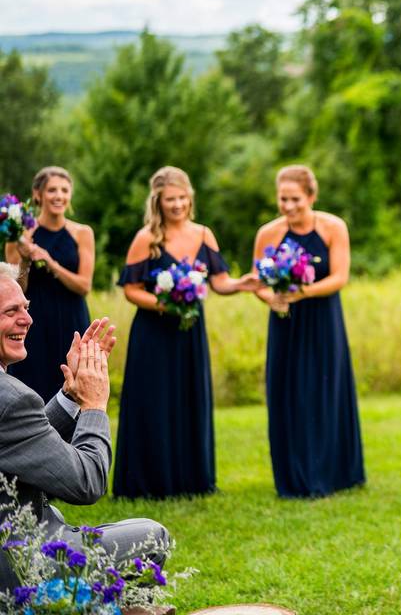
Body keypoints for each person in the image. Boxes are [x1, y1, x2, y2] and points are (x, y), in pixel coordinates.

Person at [0, 263, 168, 591]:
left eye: (27, 307)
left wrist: (71, 396)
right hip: (20, 569)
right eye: (11, 311)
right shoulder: (13, 398)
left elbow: (24, 443)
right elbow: (86, 483)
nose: (28, 319)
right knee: (153, 536)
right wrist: (94, 403)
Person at [114, 166, 259, 499]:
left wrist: (241, 284)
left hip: (190, 331)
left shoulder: (204, 235)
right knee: (153, 400)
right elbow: (131, 289)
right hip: (153, 332)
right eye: (170, 200)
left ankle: (192, 480)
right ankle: (150, 483)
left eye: (182, 198)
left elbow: (219, 282)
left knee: (189, 397)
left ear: (190, 198)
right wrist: (164, 305)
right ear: (158, 202)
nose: (177, 205)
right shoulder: (146, 239)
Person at [252, 164, 365, 498]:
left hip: (323, 320)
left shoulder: (333, 227)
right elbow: (257, 280)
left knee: (325, 390)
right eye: (283, 199)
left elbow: (339, 277)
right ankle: (294, 474)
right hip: (286, 323)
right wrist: (271, 299)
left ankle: (336, 473)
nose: (288, 206)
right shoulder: (268, 233)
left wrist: (300, 292)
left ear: (311, 196)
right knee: (288, 393)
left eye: (295, 199)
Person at [5, 167, 93, 402]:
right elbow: (17, 289)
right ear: (38, 194)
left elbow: (84, 285)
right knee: (33, 385)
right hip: (34, 322)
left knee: (73, 388)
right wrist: (25, 257)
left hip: (71, 319)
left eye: (64, 190)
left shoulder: (82, 233)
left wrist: (51, 263)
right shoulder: (20, 234)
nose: (59, 196)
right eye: (52, 190)